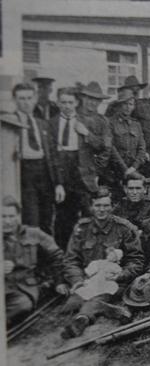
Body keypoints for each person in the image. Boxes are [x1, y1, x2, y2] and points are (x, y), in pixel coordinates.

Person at [61, 187, 143, 339]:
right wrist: (77, 280)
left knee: (96, 298)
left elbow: (136, 260)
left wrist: (121, 275)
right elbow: (71, 260)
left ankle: (82, 320)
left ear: (112, 206)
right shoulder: (81, 228)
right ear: (91, 206)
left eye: (106, 205)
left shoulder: (124, 228)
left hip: (115, 282)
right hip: (89, 280)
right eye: (98, 205)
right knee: (70, 305)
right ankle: (111, 310)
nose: (102, 210)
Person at [52, 86, 108, 247]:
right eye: (63, 102)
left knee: (88, 215)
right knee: (63, 218)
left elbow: (102, 145)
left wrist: (86, 133)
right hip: (63, 175)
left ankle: (89, 254)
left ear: (75, 102)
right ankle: (63, 257)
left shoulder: (87, 121)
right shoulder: (52, 123)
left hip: (83, 176)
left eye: (70, 102)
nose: (67, 106)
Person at [3, 196, 67, 327]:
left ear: (18, 216)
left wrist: (59, 281)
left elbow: (57, 255)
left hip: (23, 288)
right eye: (2, 216)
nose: (7, 221)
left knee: (22, 305)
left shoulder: (33, 234)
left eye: (11, 216)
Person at [13, 83, 64, 235]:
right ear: (15, 100)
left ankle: (47, 259)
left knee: (47, 221)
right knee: (31, 221)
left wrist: (59, 184)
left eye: (29, 98)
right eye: (21, 98)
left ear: (35, 99)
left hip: (45, 176)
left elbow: (54, 156)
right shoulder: (9, 123)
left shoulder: (42, 124)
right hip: (24, 176)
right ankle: (32, 258)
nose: (26, 102)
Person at [108, 90, 147, 186]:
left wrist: (133, 168)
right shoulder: (110, 123)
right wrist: (126, 170)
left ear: (134, 106)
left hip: (134, 169)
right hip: (116, 171)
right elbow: (111, 148)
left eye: (131, 104)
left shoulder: (136, 124)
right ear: (119, 105)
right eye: (125, 104)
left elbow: (142, 148)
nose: (128, 107)